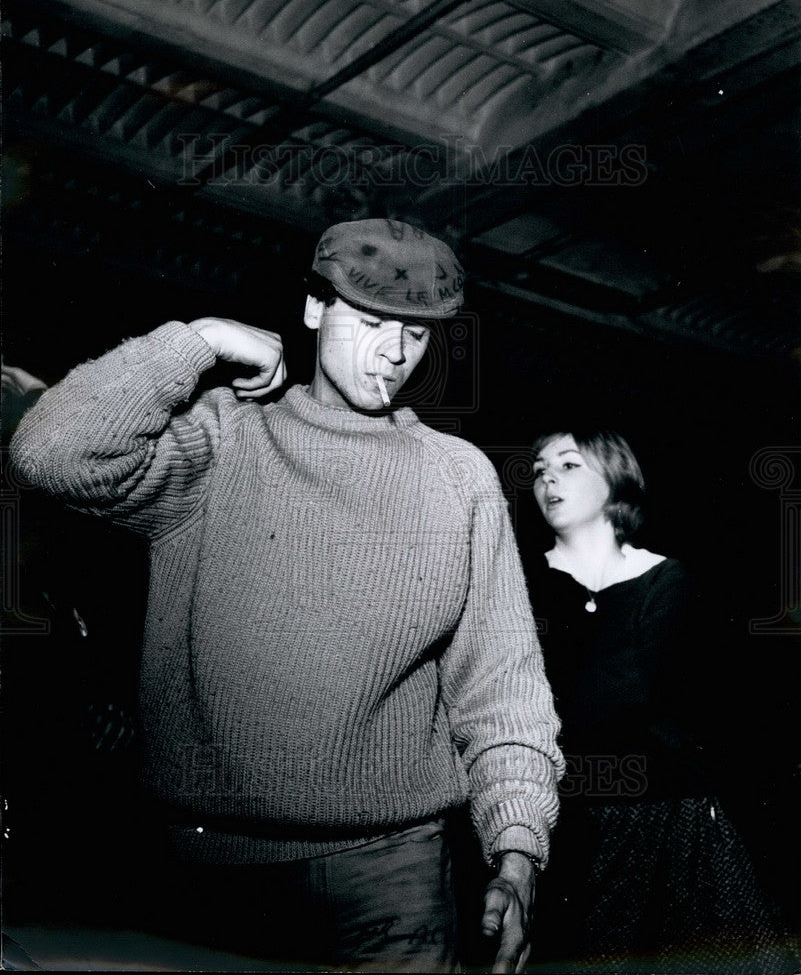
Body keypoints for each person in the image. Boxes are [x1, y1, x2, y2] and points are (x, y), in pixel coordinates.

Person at [11, 219, 564, 973]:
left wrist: (517, 849)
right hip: (206, 876)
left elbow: (501, 685)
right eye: (370, 323)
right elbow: (49, 454)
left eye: (417, 334)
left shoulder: (458, 478)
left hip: (390, 876)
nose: (394, 354)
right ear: (314, 310)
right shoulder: (223, 441)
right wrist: (197, 340)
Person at [525, 428, 792, 974]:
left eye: (569, 465)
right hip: (563, 818)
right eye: (538, 468)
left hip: (670, 822)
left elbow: (630, 694)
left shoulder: (666, 578)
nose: (547, 477)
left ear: (615, 478)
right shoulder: (521, 580)